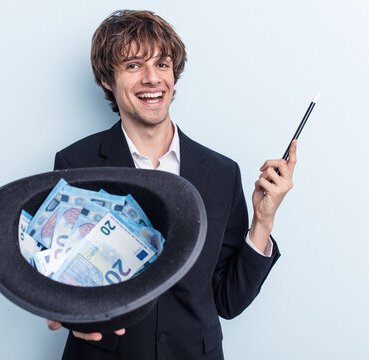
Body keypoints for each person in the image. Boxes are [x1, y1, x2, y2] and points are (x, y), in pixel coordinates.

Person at [46, 10, 297, 360]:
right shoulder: (76, 164)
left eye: (162, 65)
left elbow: (227, 301)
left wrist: (263, 222)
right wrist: (63, 312)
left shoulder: (222, 173)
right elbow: (57, 278)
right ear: (107, 79)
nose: (153, 79)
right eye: (134, 66)